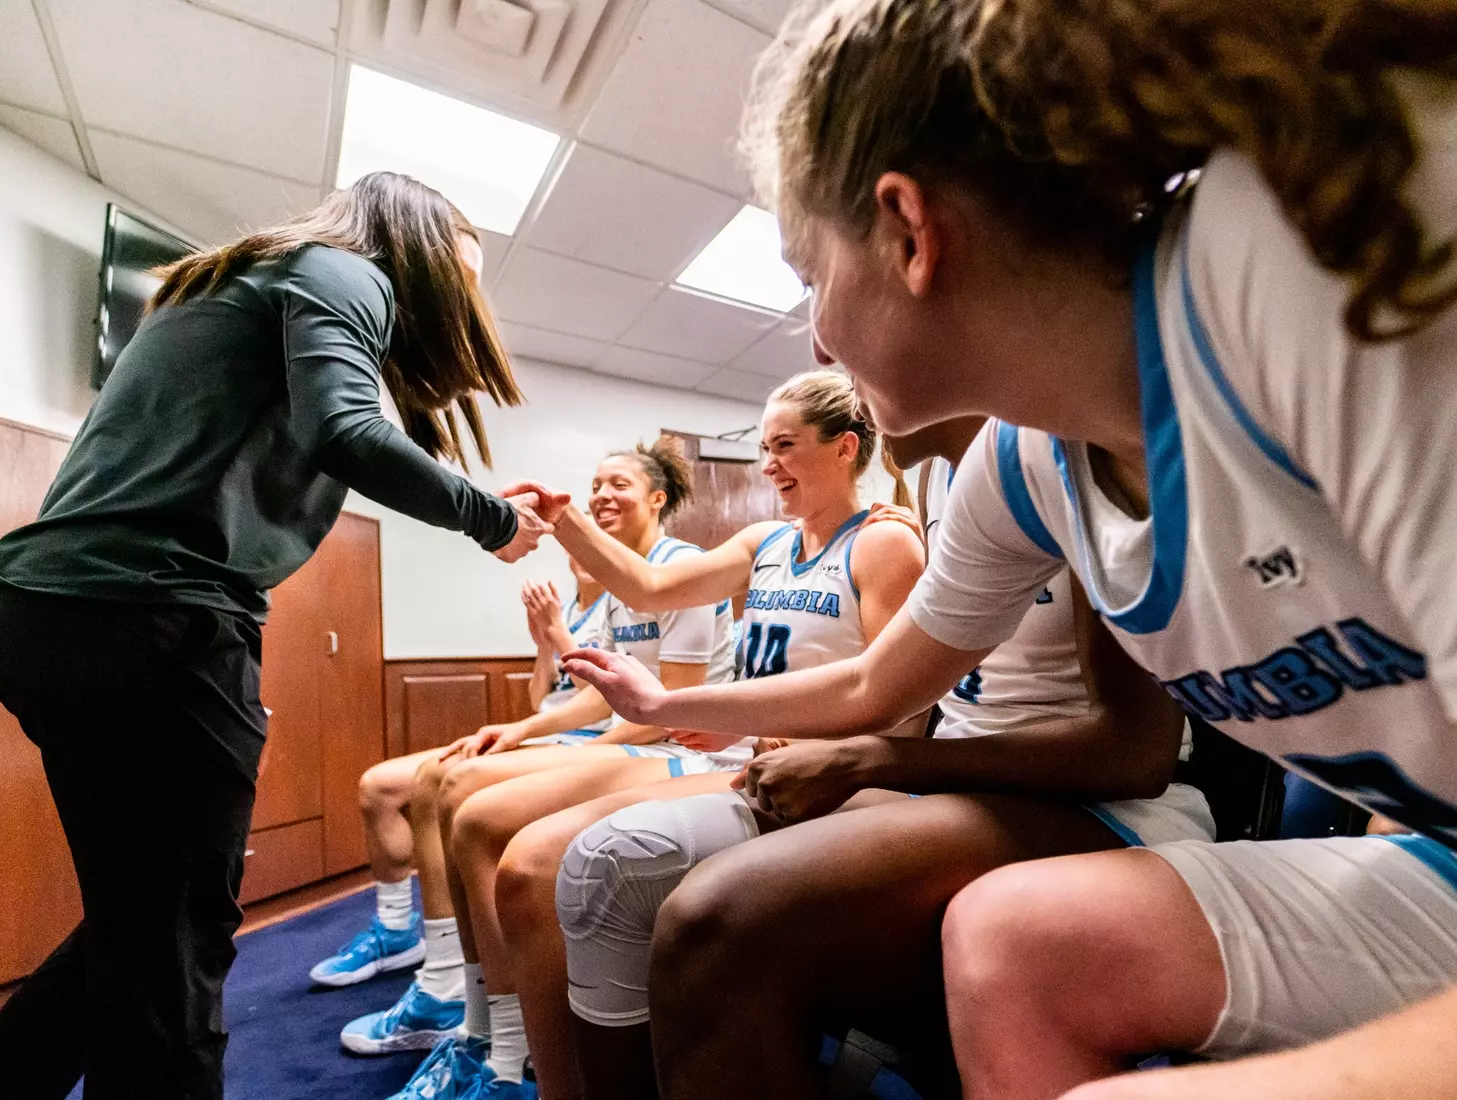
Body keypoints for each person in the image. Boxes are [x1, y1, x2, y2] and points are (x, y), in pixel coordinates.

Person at [569, 1, 1457, 1096]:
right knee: (1007, 935)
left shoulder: (1300, 253)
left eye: (810, 276)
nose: (814, 336)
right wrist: (658, 707)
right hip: (1436, 863)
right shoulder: (1024, 462)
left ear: (907, 230)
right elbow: (871, 682)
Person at [0, 172, 551, 1100]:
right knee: (178, 941)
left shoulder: (251, 279)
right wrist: (490, 522)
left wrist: (480, 500)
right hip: (153, 617)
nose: (471, 293)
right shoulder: (349, 272)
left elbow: (342, 421)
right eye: (466, 268)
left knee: (140, 923)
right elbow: (345, 430)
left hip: (49, 609)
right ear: (417, 246)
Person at [556, 420, 1210, 1100]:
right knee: (614, 856)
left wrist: (871, 760)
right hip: (955, 788)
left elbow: (1129, 755)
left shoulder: (1065, 452)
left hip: (1102, 806)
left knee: (716, 920)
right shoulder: (932, 480)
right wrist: (667, 707)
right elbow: (874, 682)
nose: (825, 354)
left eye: (787, 443)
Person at [469, 371, 928, 1100]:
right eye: (763, 448)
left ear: (845, 448)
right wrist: (564, 520)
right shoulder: (763, 540)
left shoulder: (882, 544)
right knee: (530, 863)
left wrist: (785, 734)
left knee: (549, 862)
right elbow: (649, 589)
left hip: (836, 776)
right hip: (747, 760)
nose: (768, 464)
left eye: (785, 445)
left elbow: (904, 707)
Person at [341, 440, 734, 1092]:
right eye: (595, 483)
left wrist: (576, 744)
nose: (602, 495)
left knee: (467, 797)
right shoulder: (619, 583)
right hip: (625, 736)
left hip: (681, 748)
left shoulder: (679, 567)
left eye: (618, 484)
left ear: (658, 498)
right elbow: (588, 695)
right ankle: (465, 1005)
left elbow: (670, 708)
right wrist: (521, 726)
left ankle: (506, 1042)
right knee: (446, 780)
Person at [307, 558, 610, 991]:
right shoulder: (574, 610)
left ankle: (452, 966)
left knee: (444, 780)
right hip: (545, 732)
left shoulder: (620, 608)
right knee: (378, 787)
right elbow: (540, 696)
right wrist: (544, 642)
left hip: (584, 740)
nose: (582, 559)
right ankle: (395, 930)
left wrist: (558, 632)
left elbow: (605, 698)